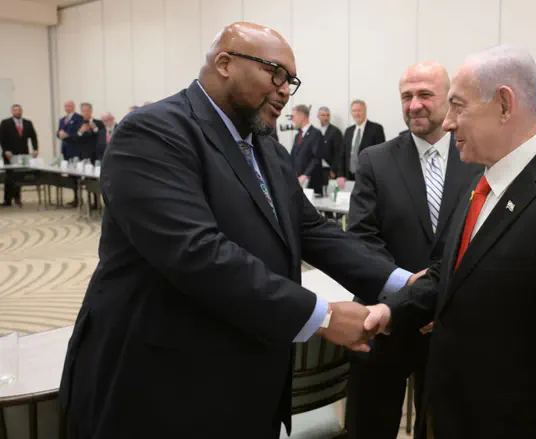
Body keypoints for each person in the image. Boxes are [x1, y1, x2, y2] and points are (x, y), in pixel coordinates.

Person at [58, 22, 415, 439]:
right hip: (161, 382)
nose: (285, 90)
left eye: (291, 81)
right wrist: (323, 316)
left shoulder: (266, 147)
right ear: (224, 63)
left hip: (246, 376)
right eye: (275, 74)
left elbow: (313, 231)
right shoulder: (153, 132)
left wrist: (403, 283)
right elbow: (197, 252)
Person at [364, 45, 536, 438]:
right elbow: (450, 273)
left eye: (458, 106)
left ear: (504, 104)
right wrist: (391, 311)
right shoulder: (481, 182)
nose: (448, 123)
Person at [345, 61, 481, 438]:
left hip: (452, 322)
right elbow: (362, 238)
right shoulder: (376, 160)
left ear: (449, 99)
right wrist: (410, 298)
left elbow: (483, 240)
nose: (415, 105)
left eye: (425, 95)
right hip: (385, 318)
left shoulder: (477, 159)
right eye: (407, 96)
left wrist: (440, 299)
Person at [336, 100, 385, 187]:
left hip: (368, 177)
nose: (356, 113)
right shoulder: (348, 131)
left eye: (359, 110)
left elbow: (380, 155)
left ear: (365, 111)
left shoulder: (376, 129)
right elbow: (343, 154)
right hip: (348, 177)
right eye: (354, 111)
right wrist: (340, 175)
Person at [0, 104, 38, 207]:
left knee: (19, 176)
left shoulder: (27, 123)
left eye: (19, 110)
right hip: (9, 154)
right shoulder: (5, 123)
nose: (17, 112)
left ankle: (17, 199)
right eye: (15, 110)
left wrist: (35, 149)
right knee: (9, 176)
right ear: (12, 112)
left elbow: (33, 137)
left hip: (23, 154)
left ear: (21, 111)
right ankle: (7, 200)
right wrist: (6, 151)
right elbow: (2, 139)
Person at [290, 104, 325, 195]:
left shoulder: (316, 134)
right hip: (298, 181)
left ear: (302, 116)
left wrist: (305, 175)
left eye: (294, 116)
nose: (293, 120)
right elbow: (293, 157)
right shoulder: (298, 135)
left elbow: (316, 158)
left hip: (311, 182)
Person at [318, 106, 342, 182]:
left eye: (328, 115)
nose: (326, 118)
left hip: (329, 169)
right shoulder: (316, 131)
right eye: (323, 115)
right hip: (317, 169)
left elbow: (339, 153)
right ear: (318, 116)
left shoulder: (335, 131)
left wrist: (334, 170)